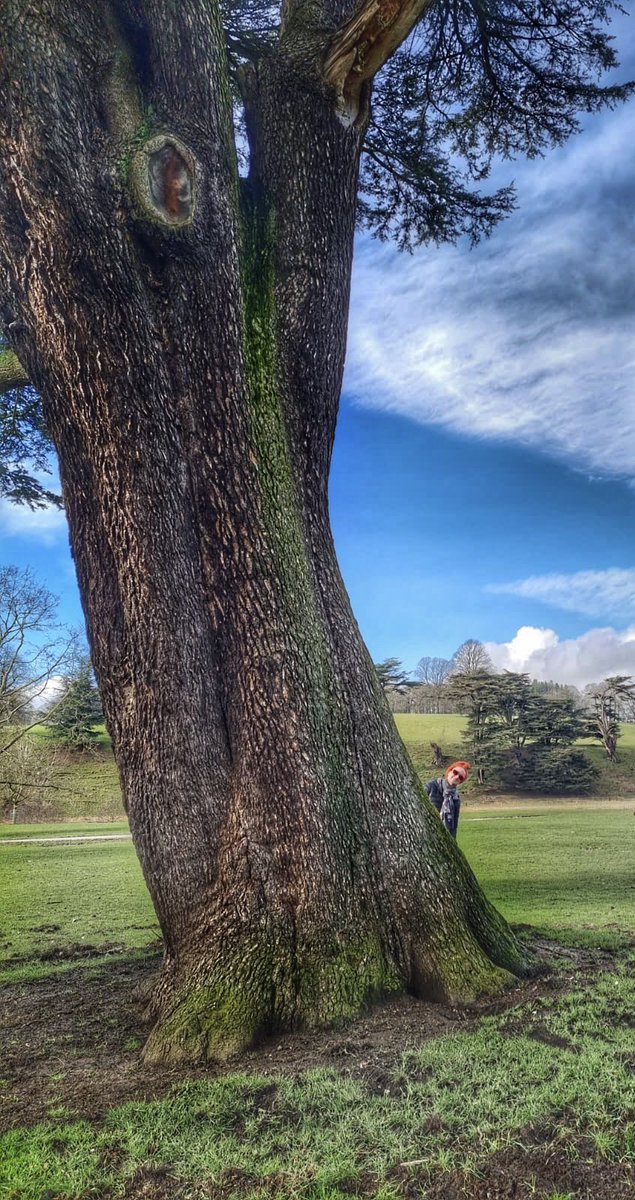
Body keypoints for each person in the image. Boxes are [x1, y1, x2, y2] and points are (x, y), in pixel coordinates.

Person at [425, 760, 471, 839]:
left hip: (442, 836)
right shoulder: (432, 786)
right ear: (449, 771)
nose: (457, 777)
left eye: (460, 777)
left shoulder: (456, 799)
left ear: (460, 782)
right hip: (426, 830)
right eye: (455, 772)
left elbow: (454, 826)